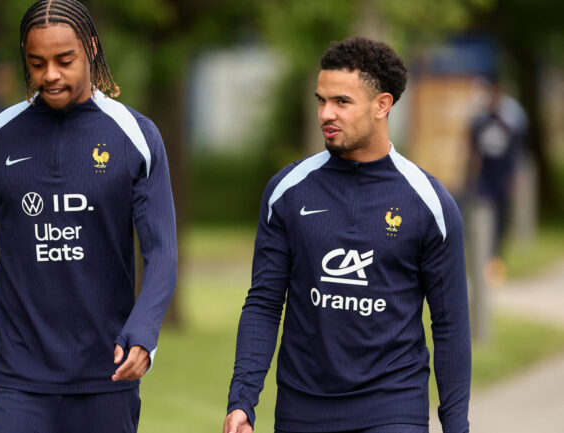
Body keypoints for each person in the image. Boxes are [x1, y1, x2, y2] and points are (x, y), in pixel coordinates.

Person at [0, 1, 178, 432]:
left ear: (91, 49)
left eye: (65, 60)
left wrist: (144, 331)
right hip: (16, 384)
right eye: (36, 62)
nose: (50, 74)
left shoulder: (136, 136)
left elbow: (161, 252)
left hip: (108, 377)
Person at [223, 37, 471, 433]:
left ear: (382, 105)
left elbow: (450, 324)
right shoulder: (287, 191)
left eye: (341, 101)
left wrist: (456, 426)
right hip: (302, 408)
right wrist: (242, 401)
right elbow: (264, 303)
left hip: (393, 406)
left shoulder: (430, 204)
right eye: (321, 100)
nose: (326, 113)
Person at [468, 79, 527, 285]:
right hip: (484, 180)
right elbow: (472, 153)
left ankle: (495, 261)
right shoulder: (479, 123)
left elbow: (515, 154)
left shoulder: (510, 124)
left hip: (502, 180)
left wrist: (515, 179)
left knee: (501, 223)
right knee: (481, 221)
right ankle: (482, 262)